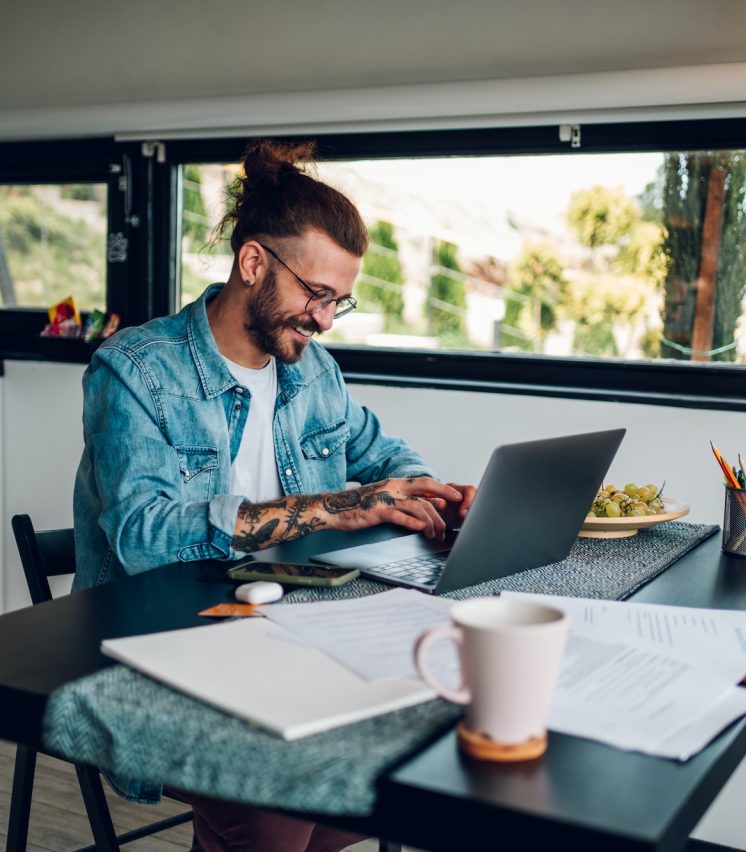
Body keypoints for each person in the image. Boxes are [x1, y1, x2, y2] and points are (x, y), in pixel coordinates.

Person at [73, 139, 476, 852]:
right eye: (316, 295)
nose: (324, 319)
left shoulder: (313, 371)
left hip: (288, 637)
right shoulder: (134, 371)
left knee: (413, 744)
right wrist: (342, 507)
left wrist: (433, 495)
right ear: (253, 262)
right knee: (276, 795)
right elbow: (143, 535)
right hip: (164, 646)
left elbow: (387, 458)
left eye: (339, 302)